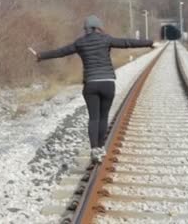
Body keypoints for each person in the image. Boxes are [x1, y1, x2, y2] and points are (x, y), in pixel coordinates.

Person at [32, 15, 154, 163]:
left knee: (94, 118)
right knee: (103, 117)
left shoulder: (80, 43)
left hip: (91, 83)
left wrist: (41, 55)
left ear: (86, 29)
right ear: (98, 27)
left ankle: (94, 149)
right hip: (108, 83)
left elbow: (61, 52)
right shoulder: (106, 39)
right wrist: (149, 43)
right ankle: (101, 148)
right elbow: (127, 42)